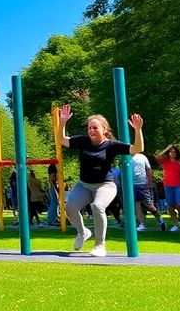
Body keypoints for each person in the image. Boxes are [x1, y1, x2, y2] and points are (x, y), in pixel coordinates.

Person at [59, 104, 146, 257]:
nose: (91, 130)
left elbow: (137, 148)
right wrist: (63, 122)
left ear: (104, 129)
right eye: (89, 128)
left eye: (95, 128)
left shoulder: (111, 146)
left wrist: (138, 130)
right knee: (70, 208)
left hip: (105, 185)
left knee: (98, 206)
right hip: (84, 185)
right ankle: (83, 232)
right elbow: (62, 140)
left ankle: (100, 245)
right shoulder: (83, 141)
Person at [131, 152, 166, 232]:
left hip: (143, 184)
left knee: (148, 205)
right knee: (137, 205)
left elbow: (148, 169)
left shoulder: (142, 157)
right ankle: (141, 224)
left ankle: (160, 219)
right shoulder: (126, 157)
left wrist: (150, 182)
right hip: (132, 184)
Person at [156, 144, 180, 231]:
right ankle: (175, 224)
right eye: (171, 152)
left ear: (177, 153)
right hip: (168, 186)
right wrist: (167, 148)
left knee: (179, 206)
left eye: (174, 152)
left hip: (178, 186)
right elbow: (158, 157)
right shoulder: (165, 161)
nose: (172, 153)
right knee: (170, 206)